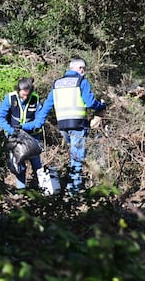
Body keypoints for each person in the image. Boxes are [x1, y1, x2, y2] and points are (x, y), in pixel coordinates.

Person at [32, 58, 106, 194]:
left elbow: (47, 105)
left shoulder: (57, 84)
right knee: (77, 156)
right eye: (84, 69)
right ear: (80, 69)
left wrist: (38, 123)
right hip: (77, 124)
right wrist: (101, 105)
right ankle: (74, 189)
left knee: (75, 154)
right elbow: (90, 103)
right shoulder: (81, 81)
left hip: (63, 125)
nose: (84, 71)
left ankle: (75, 184)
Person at [0, 77, 43, 190]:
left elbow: (39, 120)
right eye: (23, 95)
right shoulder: (10, 98)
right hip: (15, 136)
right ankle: (22, 191)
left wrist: (25, 127)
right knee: (18, 165)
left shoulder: (35, 99)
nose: (25, 98)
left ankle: (42, 188)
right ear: (18, 90)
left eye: (27, 95)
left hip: (31, 136)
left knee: (36, 163)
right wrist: (11, 130)